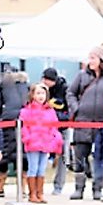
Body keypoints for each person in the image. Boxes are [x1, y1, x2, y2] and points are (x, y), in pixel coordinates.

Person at [67, 44, 103, 200]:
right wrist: (76, 108)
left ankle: (97, 188)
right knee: (80, 156)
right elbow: (71, 93)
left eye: (93, 57)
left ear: (101, 59)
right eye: (89, 57)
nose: (89, 60)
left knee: (99, 157)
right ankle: (79, 188)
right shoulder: (81, 76)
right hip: (82, 121)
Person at [20, 83, 63, 203]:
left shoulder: (50, 111)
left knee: (42, 169)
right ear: (32, 95)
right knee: (33, 168)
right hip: (33, 143)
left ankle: (40, 193)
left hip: (46, 143)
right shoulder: (26, 111)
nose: (41, 96)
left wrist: (55, 140)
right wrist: (27, 138)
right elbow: (24, 127)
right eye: (38, 93)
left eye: (43, 93)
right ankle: (32, 194)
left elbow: (54, 127)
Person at [0, 68, 29, 197]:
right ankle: (23, 188)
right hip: (25, 122)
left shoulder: (3, 84)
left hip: (7, 122)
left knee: (5, 154)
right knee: (23, 157)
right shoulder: (26, 85)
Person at [40, 67, 70, 195]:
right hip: (45, 126)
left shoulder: (65, 90)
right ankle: (38, 186)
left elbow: (68, 110)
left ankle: (59, 185)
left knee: (64, 155)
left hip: (62, 126)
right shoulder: (41, 89)